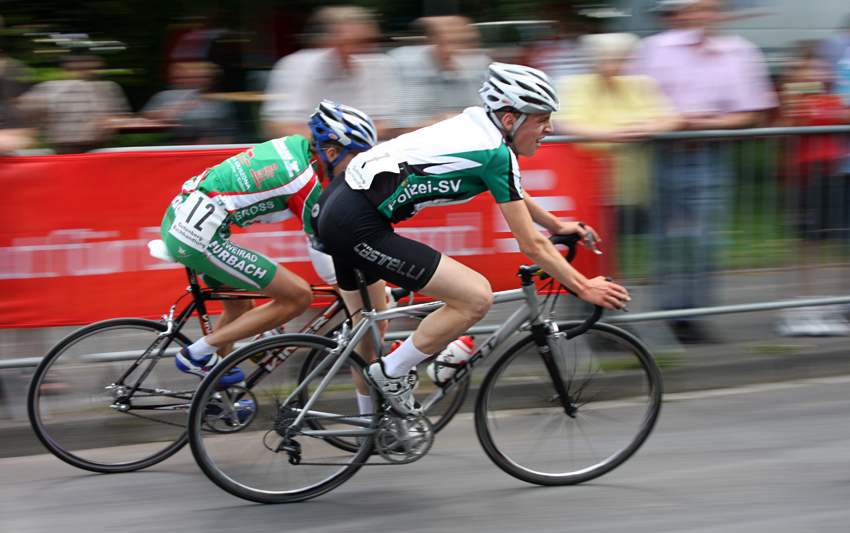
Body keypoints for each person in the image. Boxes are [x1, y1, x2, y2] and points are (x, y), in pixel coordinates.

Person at [311, 62, 630, 415]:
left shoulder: (479, 128)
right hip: (357, 224)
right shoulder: (495, 152)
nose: (549, 128)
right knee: (475, 297)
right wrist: (583, 286)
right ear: (511, 119)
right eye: (541, 119)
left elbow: (514, 192)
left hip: (336, 208)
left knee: (370, 328)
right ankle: (391, 373)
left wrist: (555, 226)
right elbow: (531, 246)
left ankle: (371, 429)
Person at [161, 100, 377, 384]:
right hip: (198, 237)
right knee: (299, 296)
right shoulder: (305, 180)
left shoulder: (294, 146)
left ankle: (214, 394)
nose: (359, 165)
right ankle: (197, 355)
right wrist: (358, 289)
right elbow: (322, 246)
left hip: (178, 218)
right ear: (333, 152)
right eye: (357, 157)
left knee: (240, 309)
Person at [632, 0, 777, 343]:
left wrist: (693, 122)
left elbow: (751, 112)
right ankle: (668, 311)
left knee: (702, 237)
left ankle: (689, 314)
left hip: (709, 154)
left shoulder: (739, 52)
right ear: (680, 13)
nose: (699, 16)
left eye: (708, 8)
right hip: (661, 153)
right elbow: (635, 100)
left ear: (720, 13)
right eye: (692, 9)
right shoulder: (655, 49)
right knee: (665, 237)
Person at [555, 33, 682, 273]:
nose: (614, 64)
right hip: (588, 184)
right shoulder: (575, 85)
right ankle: (591, 301)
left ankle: (610, 299)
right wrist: (612, 135)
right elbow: (568, 123)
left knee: (614, 249)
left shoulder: (641, 84)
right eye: (607, 58)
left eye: (620, 58)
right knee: (590, 247)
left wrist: (648, 127)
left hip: (632, 183)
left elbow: (671, 117)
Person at [260, 5, 396, 141]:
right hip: (312, 154)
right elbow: (281, 127)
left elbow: (386, 124)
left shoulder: (380, 64)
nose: (357, 50)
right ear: (325, 42)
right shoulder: (296, 66)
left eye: (366, 43)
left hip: (373, 154)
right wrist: (341, 143)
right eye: (348, 42)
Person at [387, 15, 491, 135]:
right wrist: (452, 119)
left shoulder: (478, 64)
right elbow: (405, 128)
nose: (464, 50)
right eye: (453, 42)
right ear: (436, 42)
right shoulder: (406, 64)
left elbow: (486, 118)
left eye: (469, 43)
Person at [18, 54, 132, 154]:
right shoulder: (50, 87)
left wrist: (109, 121)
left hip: (99, 144)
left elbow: (122, 115)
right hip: (66, 146)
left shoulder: (108, 87)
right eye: (80, 68)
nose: (87, 71)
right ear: (66, 69)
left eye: (92, 68)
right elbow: (24, 110)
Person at [141, 61, 238, 145]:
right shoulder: (185, 97)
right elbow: (145, 115)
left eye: (206, 77)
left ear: (215, 79)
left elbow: (229, 132)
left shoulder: (222, 101)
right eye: (199, 77)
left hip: (211, 148)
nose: (202, 80)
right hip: (179, 145)